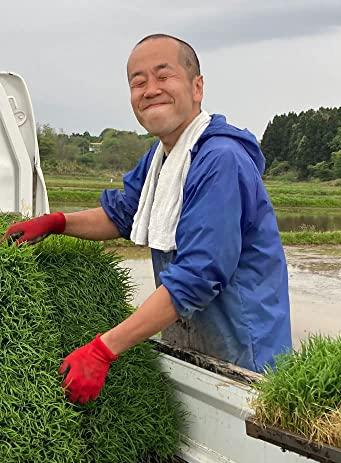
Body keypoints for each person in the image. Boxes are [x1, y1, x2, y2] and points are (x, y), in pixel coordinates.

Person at [2, 34, 292, 404]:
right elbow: (122, 214)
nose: (150, 89)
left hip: (245, 352)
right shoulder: (163, 158)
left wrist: (103, 349)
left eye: (163, 76)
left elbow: (197, 277)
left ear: (197, 86)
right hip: (195, 339)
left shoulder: (220, 159)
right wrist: (57, 221)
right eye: (138, 82)